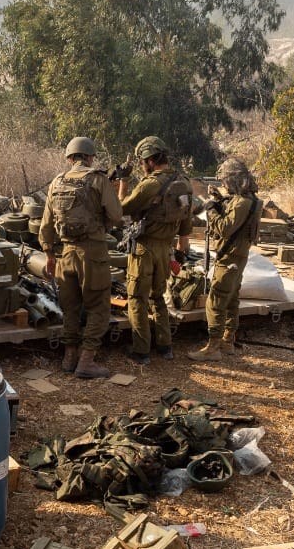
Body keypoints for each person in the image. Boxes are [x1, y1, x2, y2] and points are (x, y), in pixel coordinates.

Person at [38, 136, 123, 379]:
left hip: (66, 254)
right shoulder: (98, 179)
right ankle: (87, 361)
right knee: (98, 307)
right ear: (90, 157)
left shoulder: (57, 182)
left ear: (70, 158)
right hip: (93, 253)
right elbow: (116, 215)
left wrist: (49, 255)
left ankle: (69, 358)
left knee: (71, 307)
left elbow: (46, 225)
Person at [116, 136, 192, 365]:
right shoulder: (184, 183)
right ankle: (165, 346)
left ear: (150, 160)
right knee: (158, 297)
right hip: (165, 249)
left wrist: (123, 181)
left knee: (137, 298)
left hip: (144, 249)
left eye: (142, 162)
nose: (142, 166)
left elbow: (121, 207)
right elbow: (186, 222)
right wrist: (180, 249)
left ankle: (141, 351)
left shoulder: (150, 184)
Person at [189, 158, 261, 362]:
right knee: (231, 299)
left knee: (216, 300)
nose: (224, 184)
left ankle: (213, 347)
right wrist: (219, 199)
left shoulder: (242, 203)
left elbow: (224, 228)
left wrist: (211, 208)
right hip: (238, 256)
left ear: (234, 180)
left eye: (225, 181)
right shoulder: (249, 200)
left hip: (229, 257)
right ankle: (228, 340)